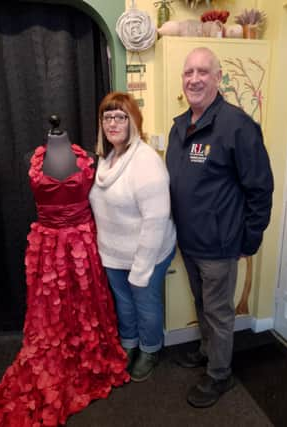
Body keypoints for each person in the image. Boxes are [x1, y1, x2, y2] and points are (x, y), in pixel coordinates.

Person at [0, 128, 129, 426]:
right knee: (53, 309)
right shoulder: (29, 159)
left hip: (83, 243)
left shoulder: (86, 157)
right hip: (49, 247)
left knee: (86, 304)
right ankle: (62, 353)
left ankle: (87, 350)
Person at [166, 47, 274, 408]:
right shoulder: (181, 125)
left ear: (217, 77)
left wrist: (251, 238)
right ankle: (208, 350)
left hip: (220, 243)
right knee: (203, 304)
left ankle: (219, 375)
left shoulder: (237, 125)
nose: (194, 79)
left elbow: (259, 187)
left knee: (218, 311)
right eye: (188, 72)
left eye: (202, 72)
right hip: (190, 241)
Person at [89, 92, 176, 382]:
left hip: (147, 251)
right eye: (107, 116)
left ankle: (150, 348)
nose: (112, 123)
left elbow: (155, 221)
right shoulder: (108, 157)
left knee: (145, 302)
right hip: (114, 252)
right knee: (123, 303)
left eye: (120, 116)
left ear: (133, 121)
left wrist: (141, 268)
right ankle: (130, 344)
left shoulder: (146, 162)